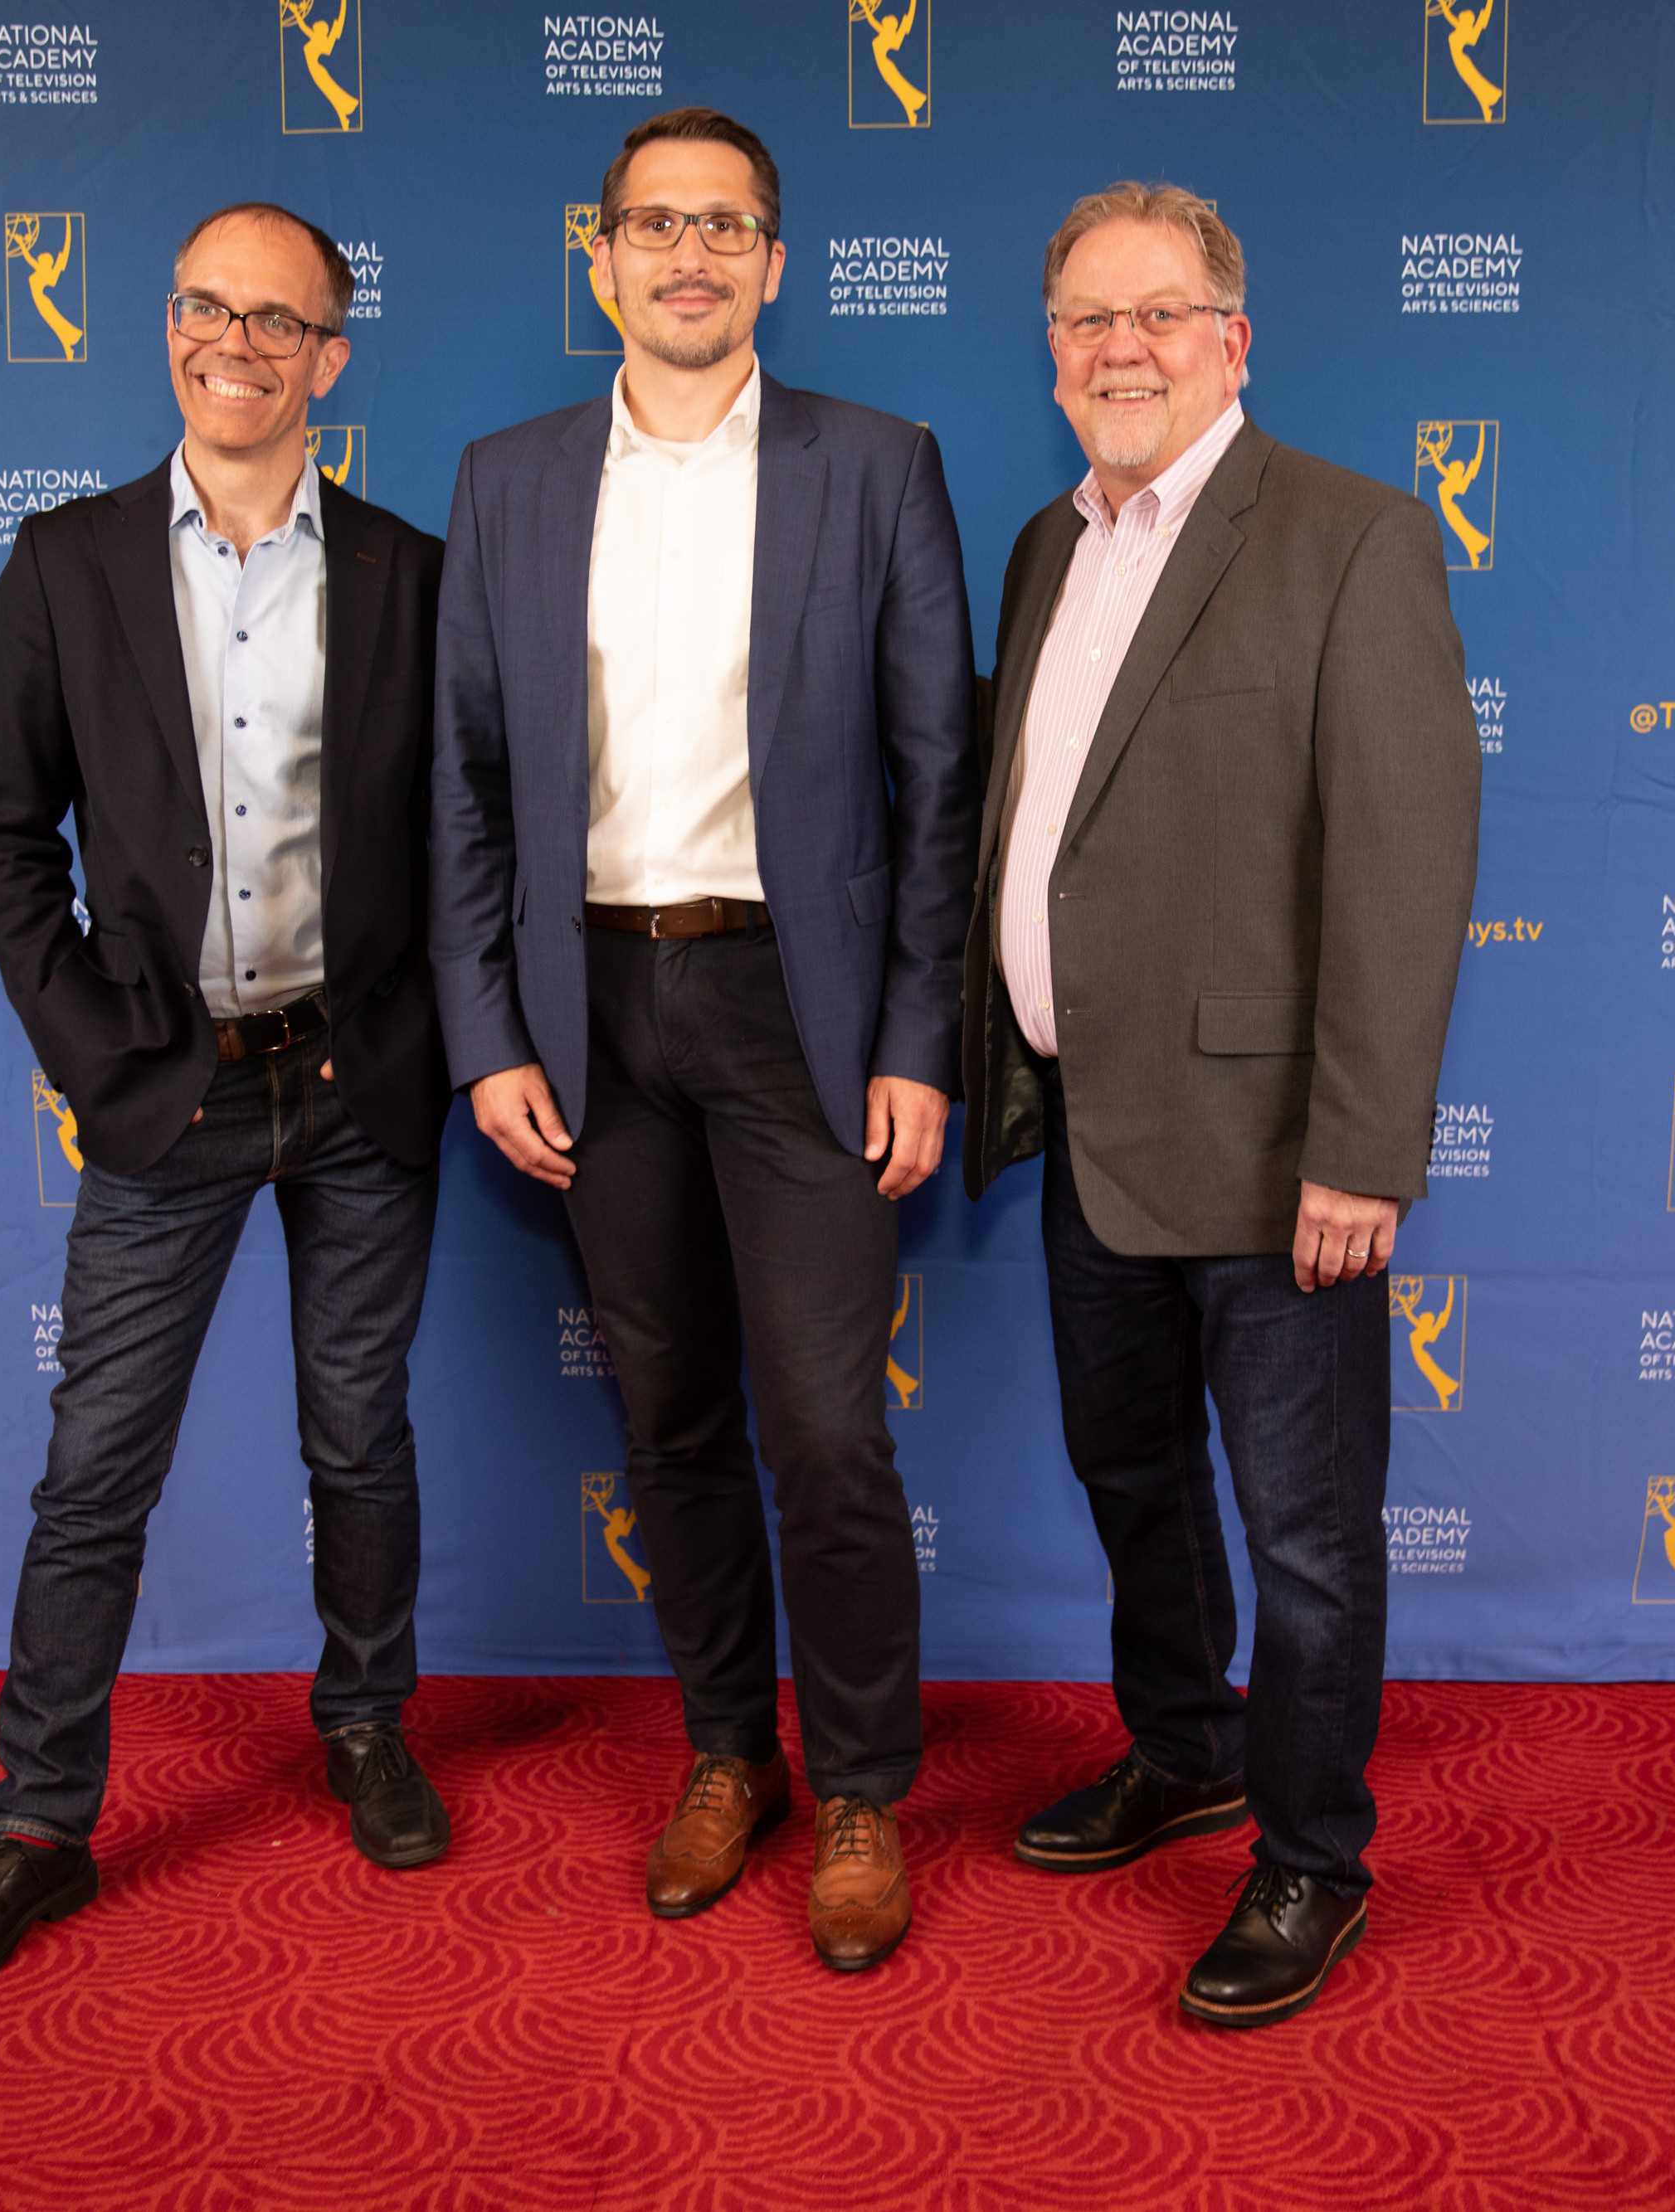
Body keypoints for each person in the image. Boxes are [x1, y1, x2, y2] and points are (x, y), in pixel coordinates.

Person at [0, 202, 450, 2008]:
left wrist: (436, 1034)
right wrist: (89, 1042)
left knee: (358, 1436)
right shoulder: (68, 559)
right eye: (207, 306)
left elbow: (464, 838)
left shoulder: (409, 572)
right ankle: (38, 1821)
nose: (235, 344)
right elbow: (4, 828)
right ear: (171, 327)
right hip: (166, 1087)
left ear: (328, 358)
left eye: (277, 320)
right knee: (94, 1472)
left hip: (359, 1083)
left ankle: (364, 1720)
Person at [430, 108, 976, 1973]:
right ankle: (730, 1750)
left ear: (773, 262)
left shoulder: (876, 465)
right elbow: (464, 785)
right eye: (655, 224)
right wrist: (489, 1030)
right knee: (668, 1420)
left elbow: (938, 781)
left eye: (725, 225)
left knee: (823, 1427)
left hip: (798, 1012)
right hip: (591, 1009)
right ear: (600, 259)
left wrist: (917, 1036)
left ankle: (864, 1789)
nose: (689, 254)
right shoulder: (506, 480)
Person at [963, 183, 1479, 2028]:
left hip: (1277, 1160)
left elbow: (1404, 862)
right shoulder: (1048, 546)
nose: (1123, 348)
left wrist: (1362, 1147)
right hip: (1089, 1128)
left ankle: (1311, 1853)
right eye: (1087, 320)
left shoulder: (1350, 534)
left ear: (1232, 339)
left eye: (1160, 313)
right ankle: (1181, 1748)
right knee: (1134, 1478)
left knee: (1306, 1537)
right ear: (1051, 354)